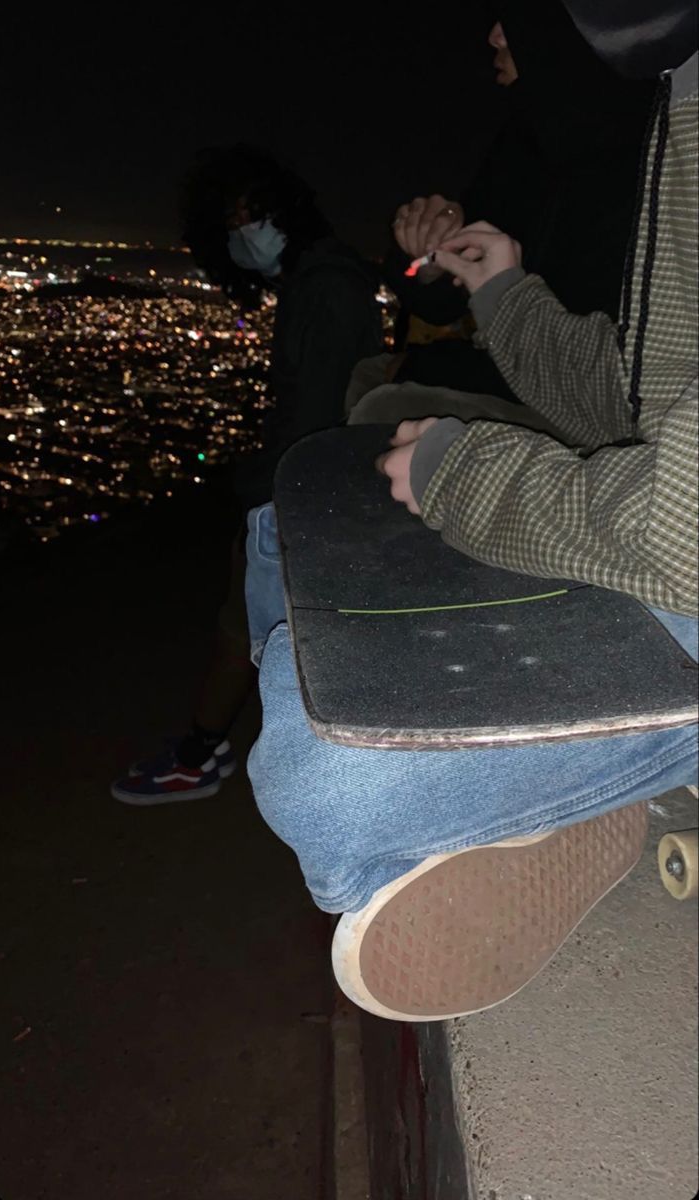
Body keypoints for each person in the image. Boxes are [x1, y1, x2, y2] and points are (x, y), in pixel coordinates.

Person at [243, 5, 698, 1021]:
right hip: (648, 509)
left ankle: (578, 787)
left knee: (327, 773)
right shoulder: (669, 97)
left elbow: (682, 522)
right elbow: (641, 397)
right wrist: (497, 289)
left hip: (674, 541)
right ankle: (580, 788)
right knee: (295, 539)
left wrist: (464, 476)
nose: (496, 29)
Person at [111, 145, 383, 804]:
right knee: (253, 633)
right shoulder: (319, 280)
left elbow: (317, 416)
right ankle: (208, 750)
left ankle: (315, 784)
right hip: (302, 494)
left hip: (299, 500)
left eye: (247, 218)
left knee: (274, 649)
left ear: (282, 212)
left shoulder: (326, 288)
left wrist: (261, 498)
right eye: (230, 222)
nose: (241, 236)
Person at [362, 0, 655, 409]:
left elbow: (608, 379)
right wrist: (429, 254)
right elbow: (444, 302)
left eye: (518, 14)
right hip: (522, 374)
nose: (495, 36)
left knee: (380, 400)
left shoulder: (646, 149)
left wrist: (422, 368)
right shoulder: (525, 144)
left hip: (594, 411)